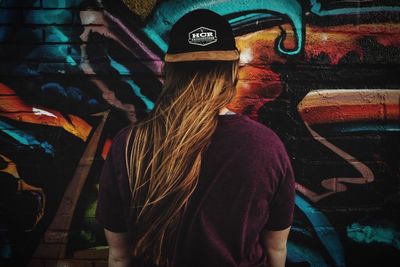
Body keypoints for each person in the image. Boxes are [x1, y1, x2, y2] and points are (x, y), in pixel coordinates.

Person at [96, 9, 295, 267]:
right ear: (233, 70)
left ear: (168, 71)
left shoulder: (129, 145)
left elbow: (119, 256)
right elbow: (276, 250)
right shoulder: (266, 147)